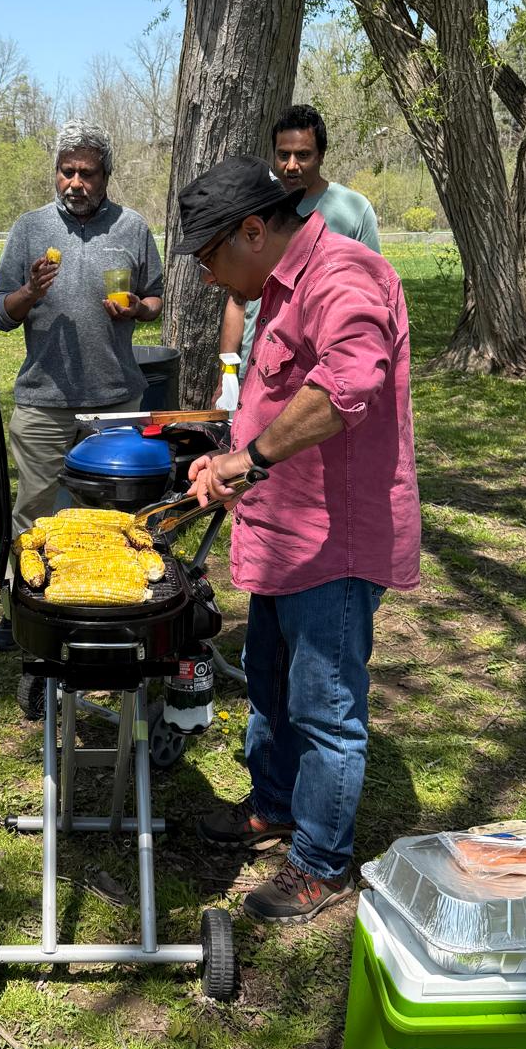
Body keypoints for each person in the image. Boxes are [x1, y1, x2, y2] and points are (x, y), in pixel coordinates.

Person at [176, 156, 420, 923]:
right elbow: (274, 397)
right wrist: (228, 454)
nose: (212, 279)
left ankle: (321, 861)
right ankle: (275, 805)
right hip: (280, 535)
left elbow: (348, 386)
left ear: (254, 230)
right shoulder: (275, 292)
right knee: (272, 688)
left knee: (325, 706)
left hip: (332, 542)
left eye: (213, 259)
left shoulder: (346, 275)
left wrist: (248, 460)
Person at [0, 119, 163, 650]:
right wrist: (29, 293)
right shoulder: (29, 229)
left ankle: (115, 615)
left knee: (116, 515)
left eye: (87, 173)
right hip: (44, 401)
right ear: (56, 173)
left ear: (106, 175)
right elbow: (0, 312)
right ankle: (22, 611)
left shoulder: (131, 228)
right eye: (67, 172)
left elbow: (155, 300)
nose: (75, 183)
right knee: (34, 514)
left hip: (115, 402)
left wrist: (137, 307)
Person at [219, 104, 381, 393]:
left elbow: (373, 297)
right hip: (255, 374)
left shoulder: (354, 209)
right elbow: (237, 299)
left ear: (321, 155)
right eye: (283, 155)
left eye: (303, 155)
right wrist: (227, 375)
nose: (291, 165)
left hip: (318, 379)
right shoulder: (253, 210)